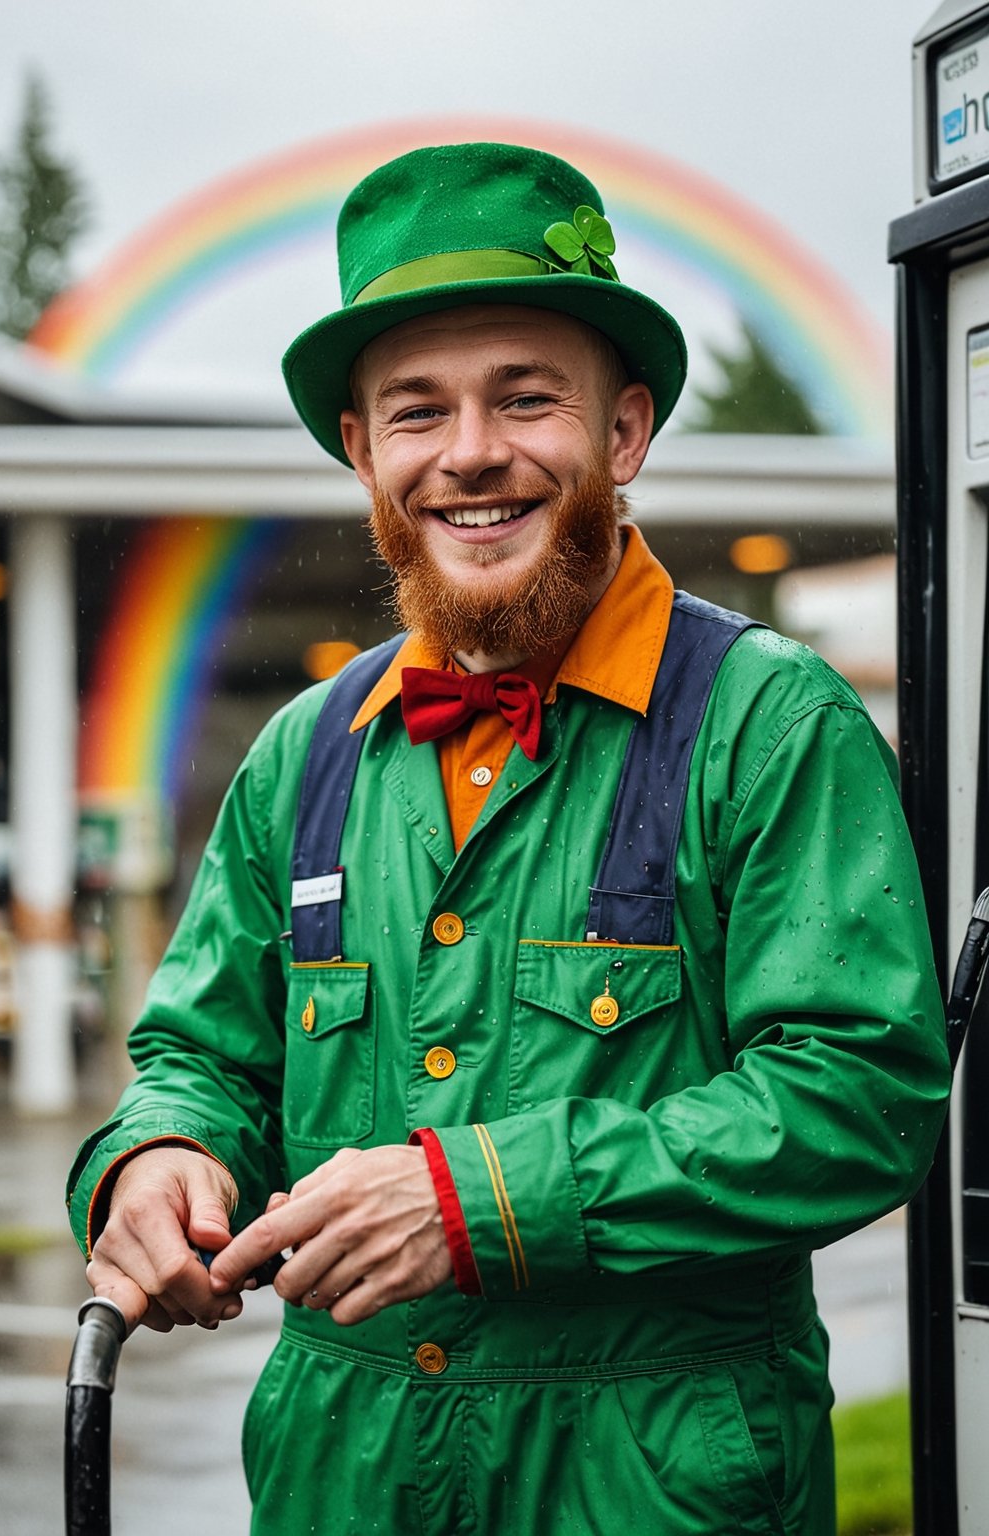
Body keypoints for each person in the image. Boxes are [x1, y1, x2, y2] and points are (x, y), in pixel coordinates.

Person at [68, 142, 950, 1535]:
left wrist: (484, 1198)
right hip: (338, 1479)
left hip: (656, 1478)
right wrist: (157, 1155)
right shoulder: (305, 751)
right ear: (364, 452)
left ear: (623, 434)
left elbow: (862, 1100)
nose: (470, 452)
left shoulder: (768, 724)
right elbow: (201, 1055)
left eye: (526, 399)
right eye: (417, 412)